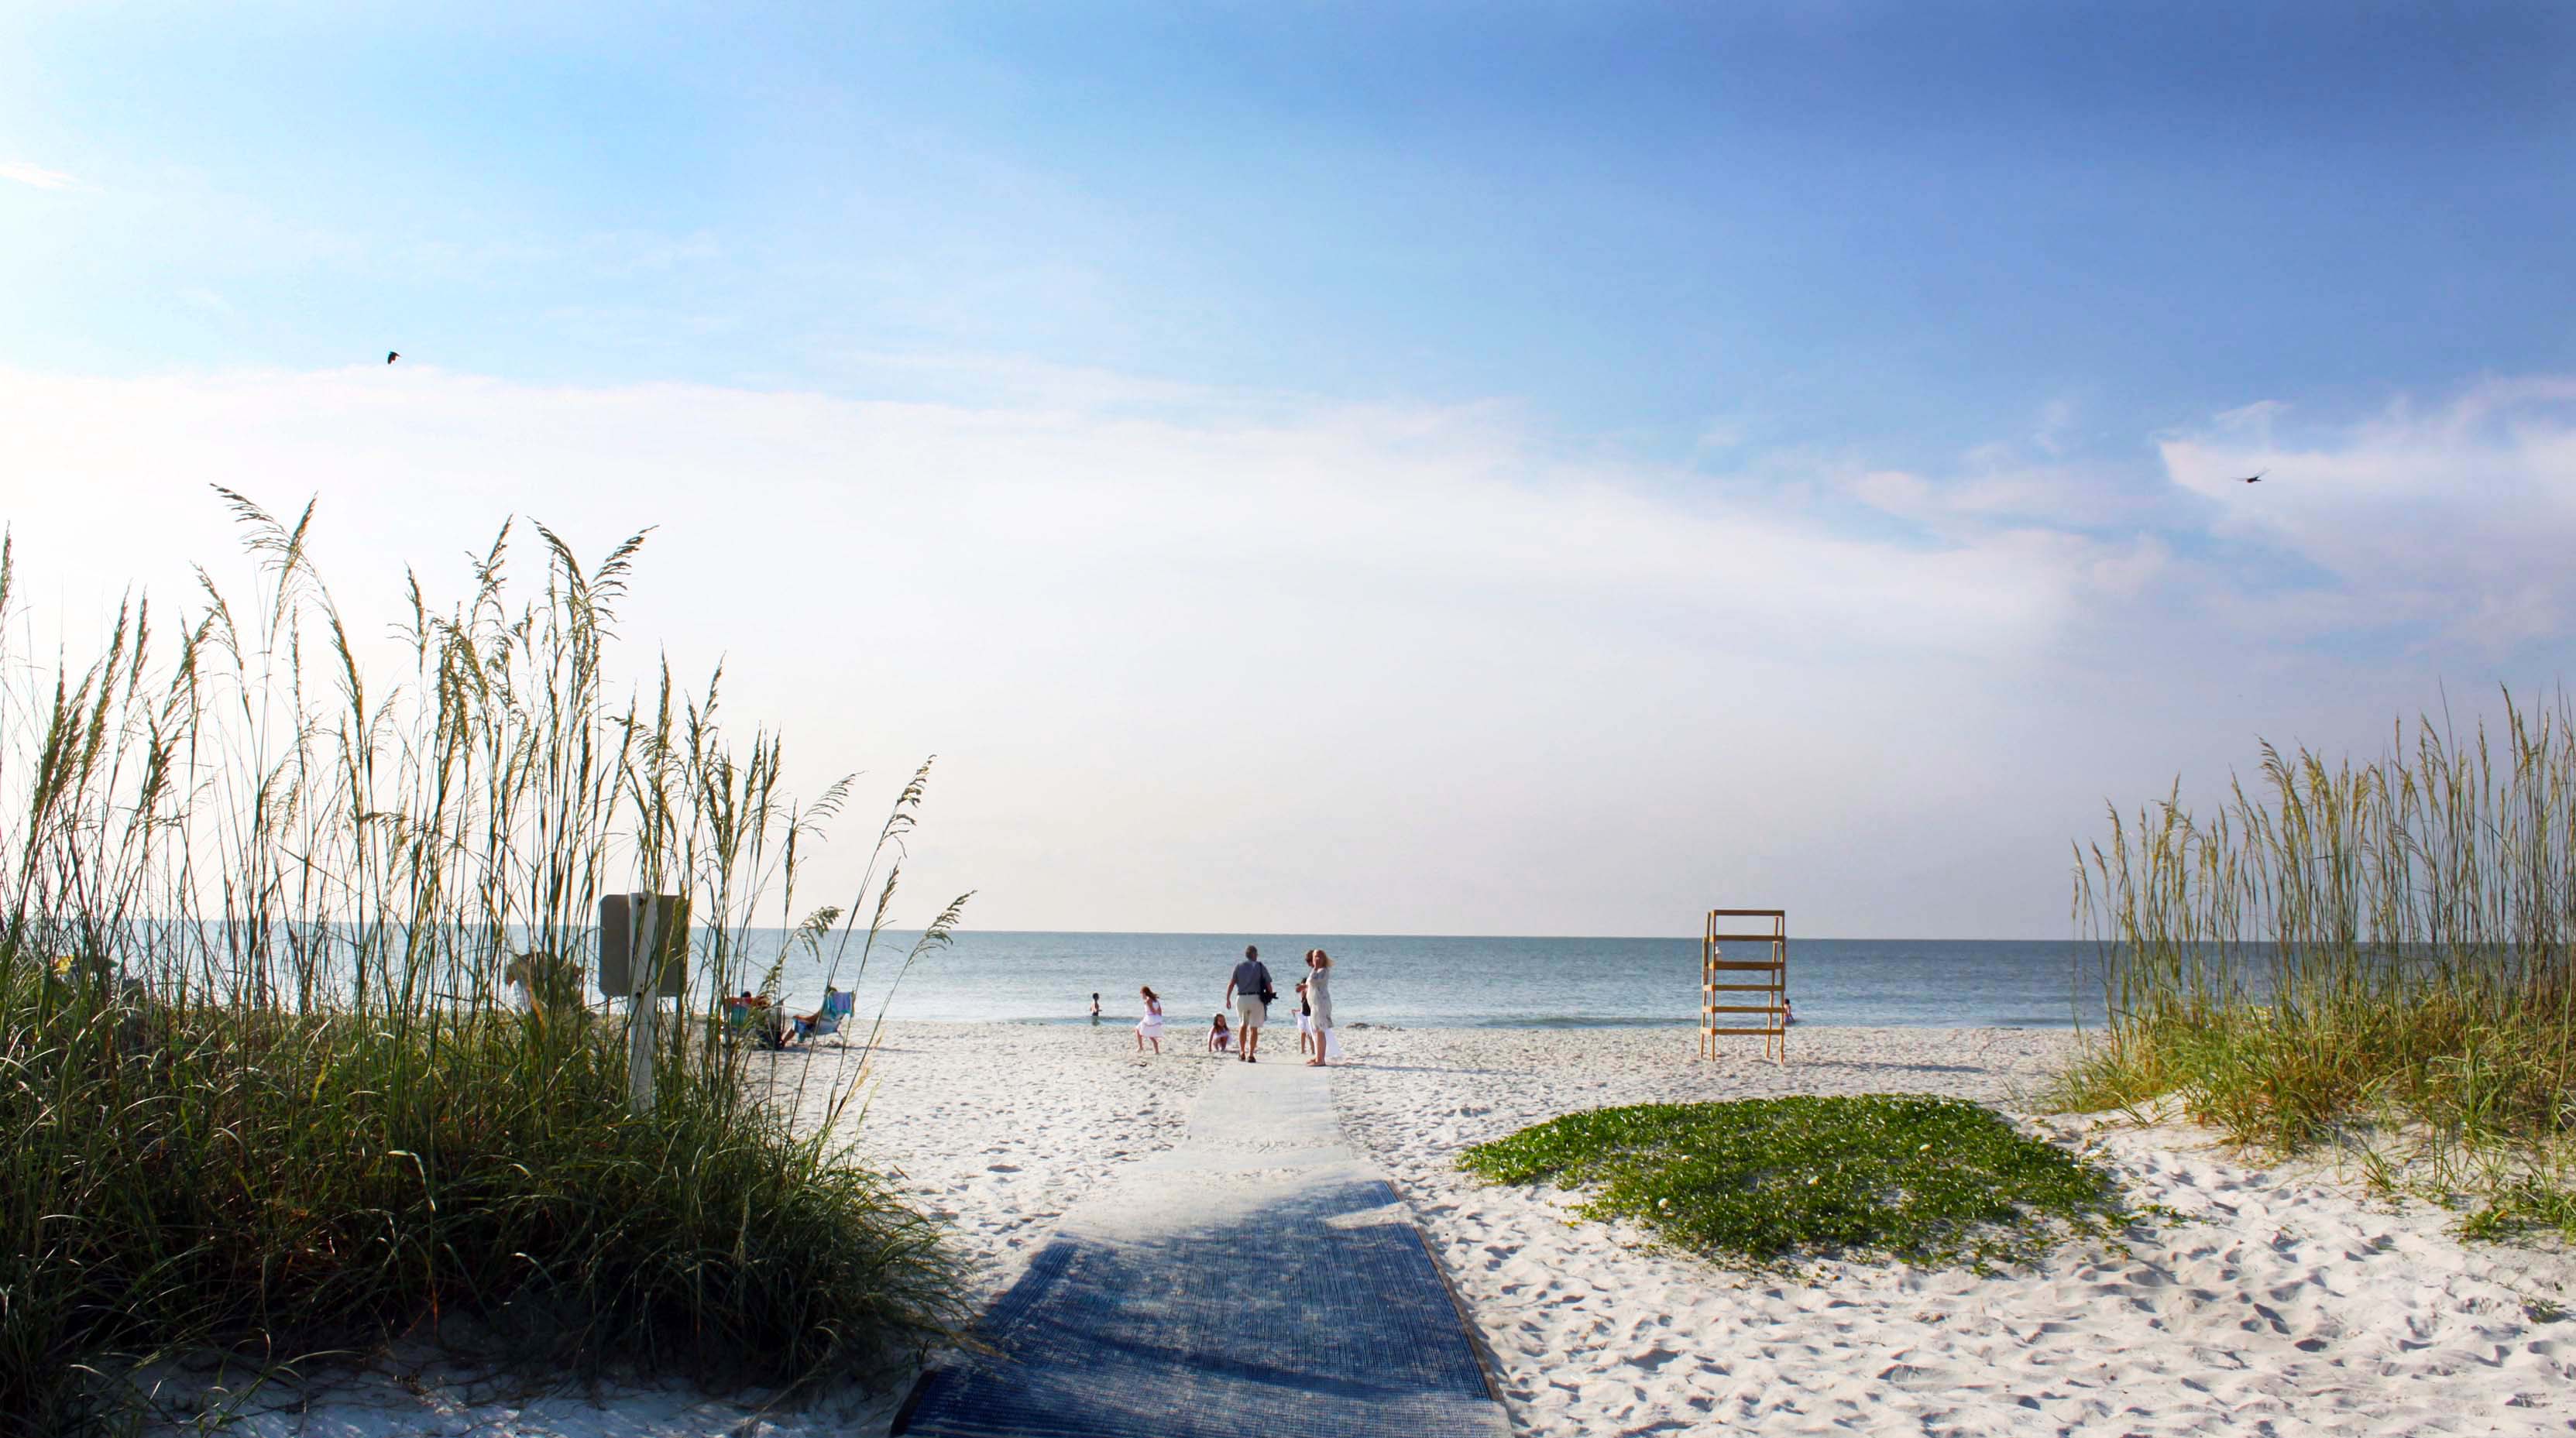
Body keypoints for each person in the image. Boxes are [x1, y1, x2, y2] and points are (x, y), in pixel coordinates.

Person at [1223, 943, 1273, 1062]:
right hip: (1256, 999)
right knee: (1254, 1028)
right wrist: (1269, 997)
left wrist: (1228, 998)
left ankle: (1242, 1052)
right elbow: (1269, 985)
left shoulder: (1239, 966)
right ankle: (1251, 1054)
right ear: (1255, 954)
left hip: (1242, 999)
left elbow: (1232, 983)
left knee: (1243, 1025)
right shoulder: (1260, 966)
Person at [1304, 949, 1335, 1067]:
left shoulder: (1323, 971)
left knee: (1320, 1031)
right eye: (1315, 957)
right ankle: (1318, 1057)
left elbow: (1314, 981)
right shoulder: (1317, 971)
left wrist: (1315, 968)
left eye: (1319, 957)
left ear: (1323, 959)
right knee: (1317, 1031)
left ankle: (1321, 1059)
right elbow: (1309, 984)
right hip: (1315, 1004)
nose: (1317, 959)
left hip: (1321, 1004)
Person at [1136, 985, 1164, 1054]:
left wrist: (1155, 1013)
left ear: (1144, 993)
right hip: (1154, 1018)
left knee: (1138, 1030)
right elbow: (1160, 1011)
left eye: (1142, 994)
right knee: (1150, 1035)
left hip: (1150, 1018)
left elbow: (1153, 1011)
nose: (1142, 996)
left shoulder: (1148, 1000)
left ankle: (1141, 1047)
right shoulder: (1155, 999)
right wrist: (1159, 1018)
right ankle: (1156, 1052)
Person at [1296, 976, 1314, 1056]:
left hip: (1309, 1014)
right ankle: (1303, 1050)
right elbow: (1302, 1004)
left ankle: (1313, 1050)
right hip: (1302, 1014)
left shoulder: (1310, 992)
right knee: (1303, 1033)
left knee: (1310, 1034)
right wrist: (1298, 1010)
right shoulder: (1301, 993)